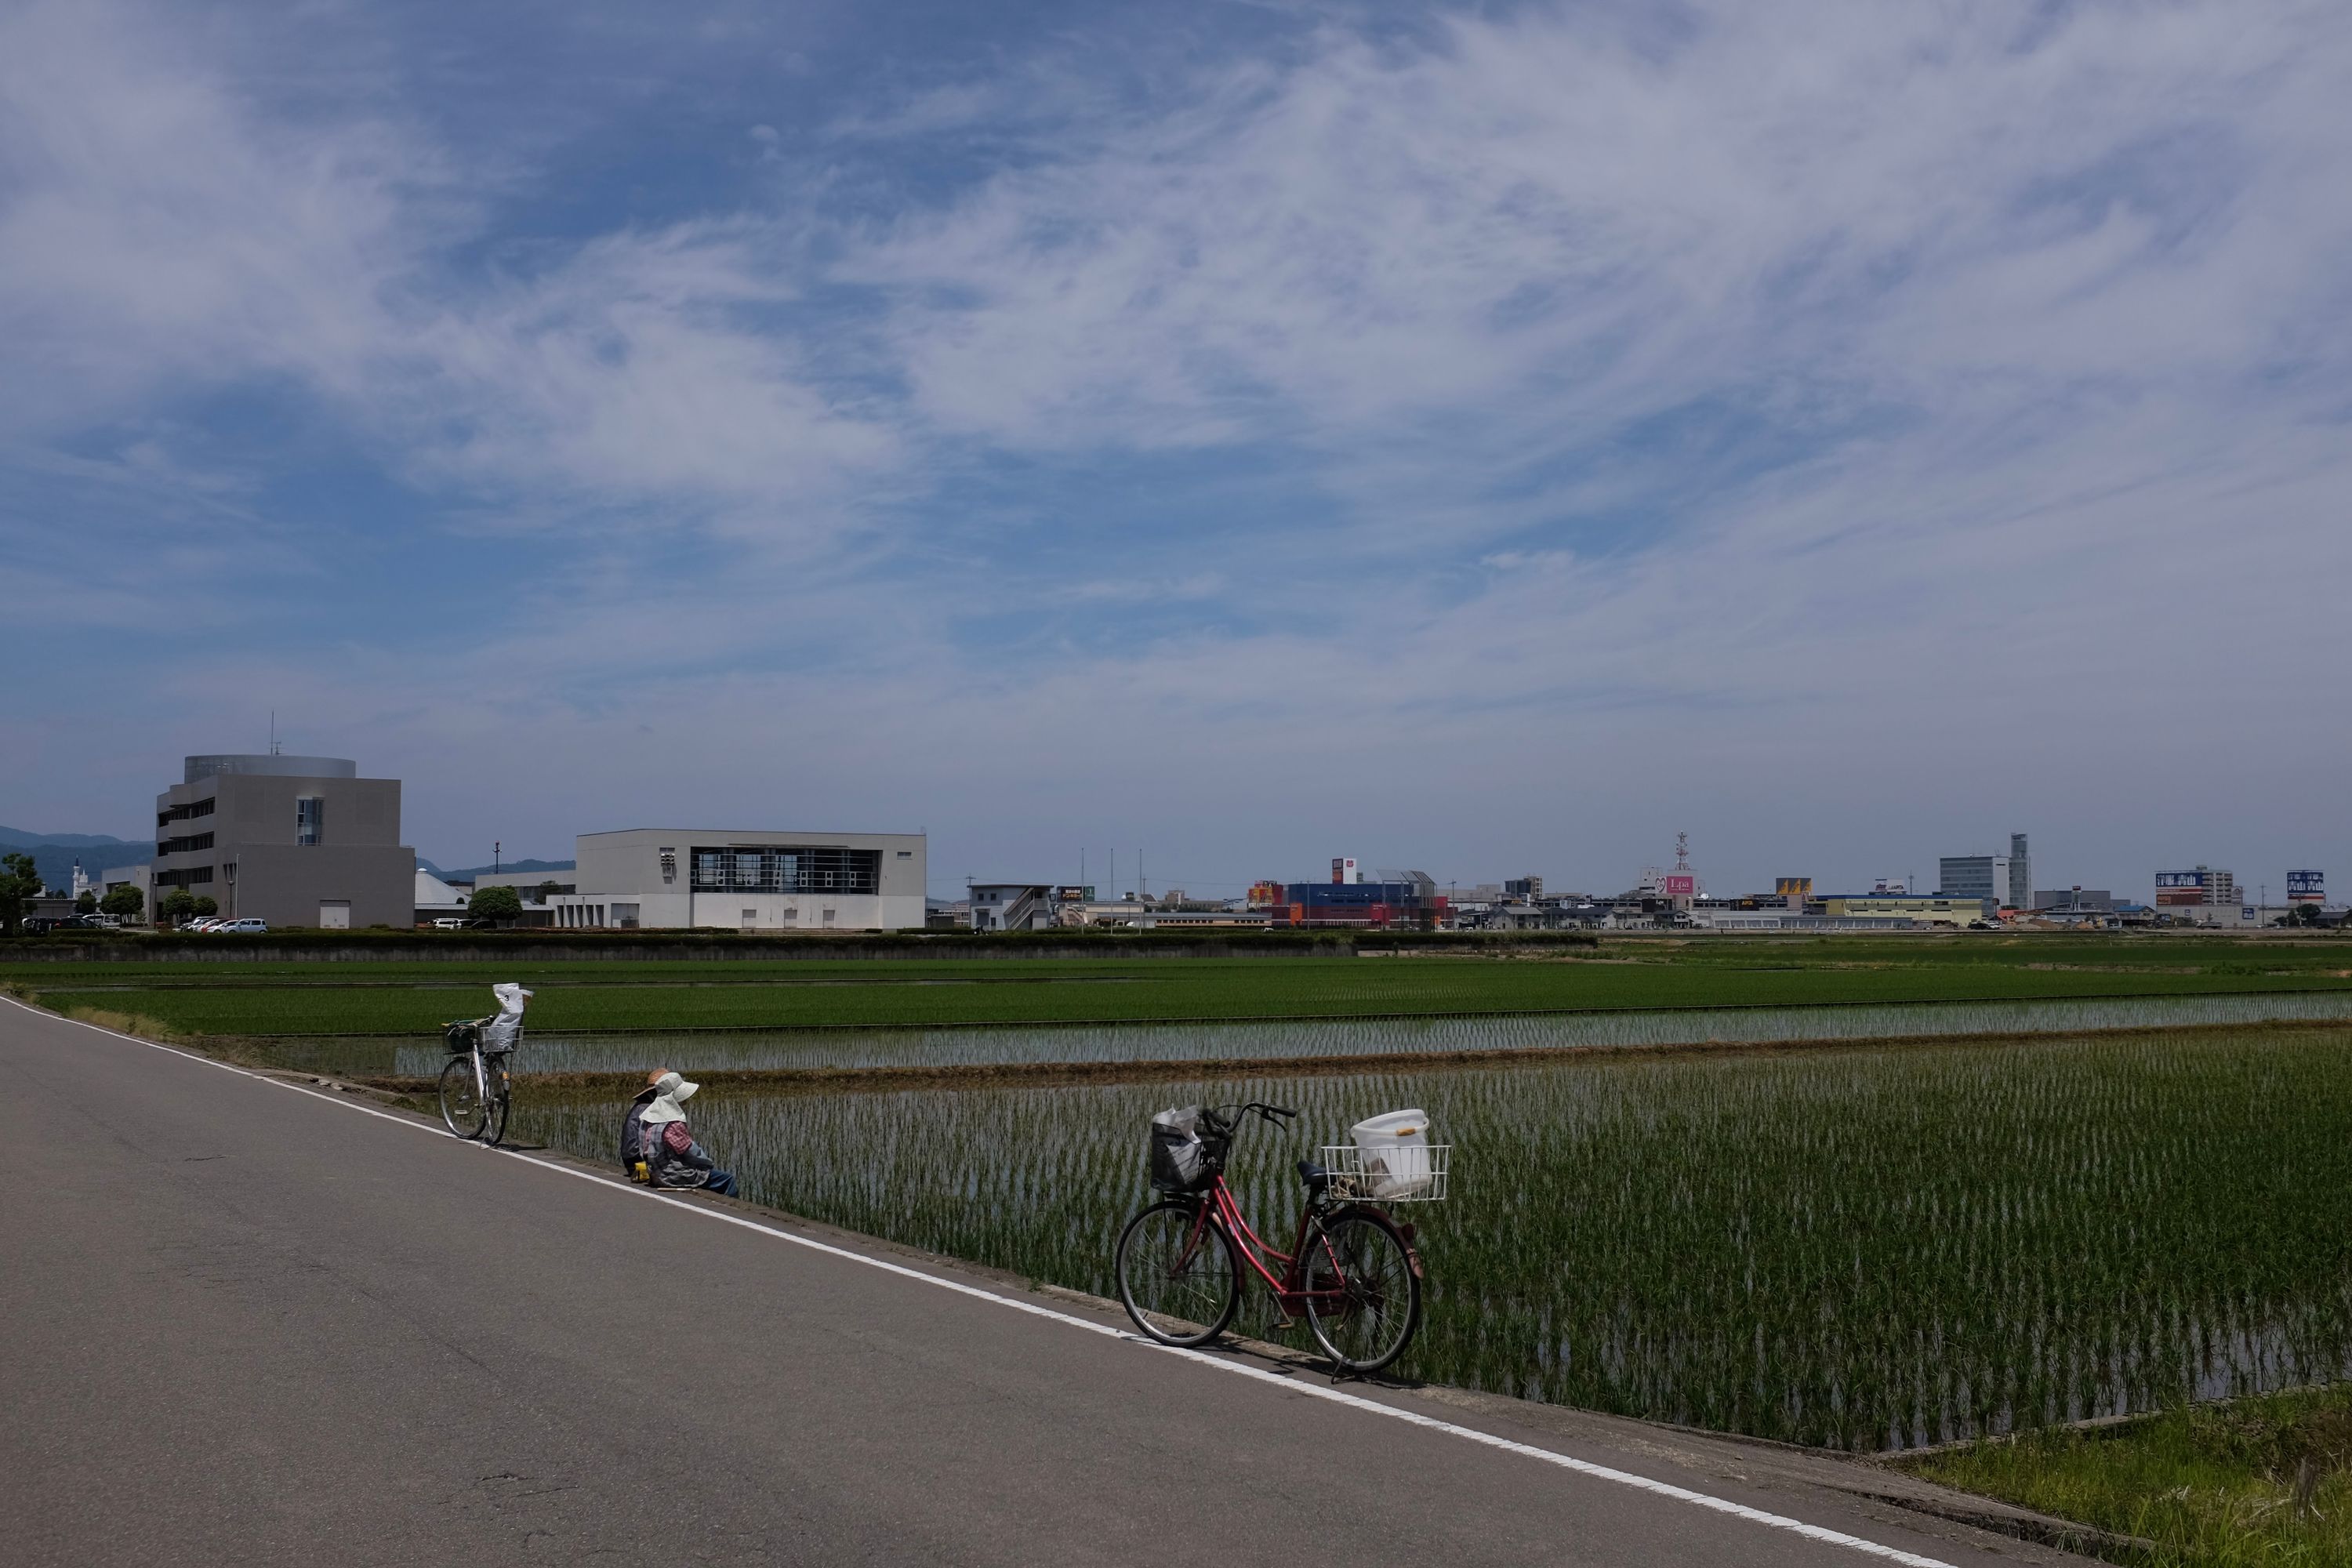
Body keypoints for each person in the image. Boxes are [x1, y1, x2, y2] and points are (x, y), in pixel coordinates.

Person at [640, 1071, 737, 1196]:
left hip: (654, 1174)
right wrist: (708, 1164)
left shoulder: (647, 1120)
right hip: (672, 1176)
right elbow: (691, 1152)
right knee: (727, 1179)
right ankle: (727, 1211)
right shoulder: (673, 1124)